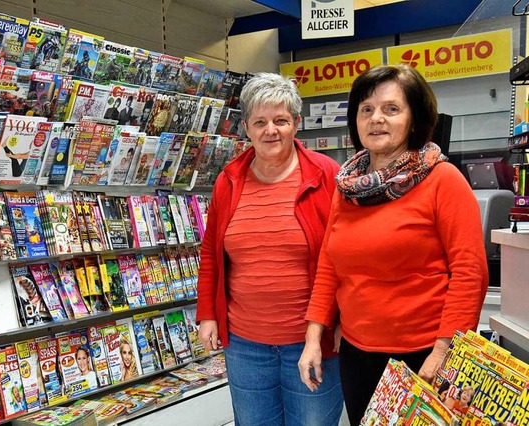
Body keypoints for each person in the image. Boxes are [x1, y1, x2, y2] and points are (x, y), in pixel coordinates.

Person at [297, 64, 488, 425]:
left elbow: (469, 273)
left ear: (415, 119)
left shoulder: (443, 179)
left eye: (391, 109)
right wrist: (313, 337)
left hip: (424, 356)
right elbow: (329, 267)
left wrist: (445, 350)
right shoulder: (349, 187)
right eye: (366, 109)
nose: (376, 119)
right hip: (356, 354)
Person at [196, 72, 344, 426]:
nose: (270, 131)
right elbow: (211, 253)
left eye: (281, 120)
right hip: (245, 346)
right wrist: (207, 314)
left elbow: (345, 258)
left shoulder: (328, 176)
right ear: (246, 127)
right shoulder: (228, 180)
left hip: (312, 341)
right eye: (260, 122)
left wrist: (342, 321)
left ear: (297, 122)